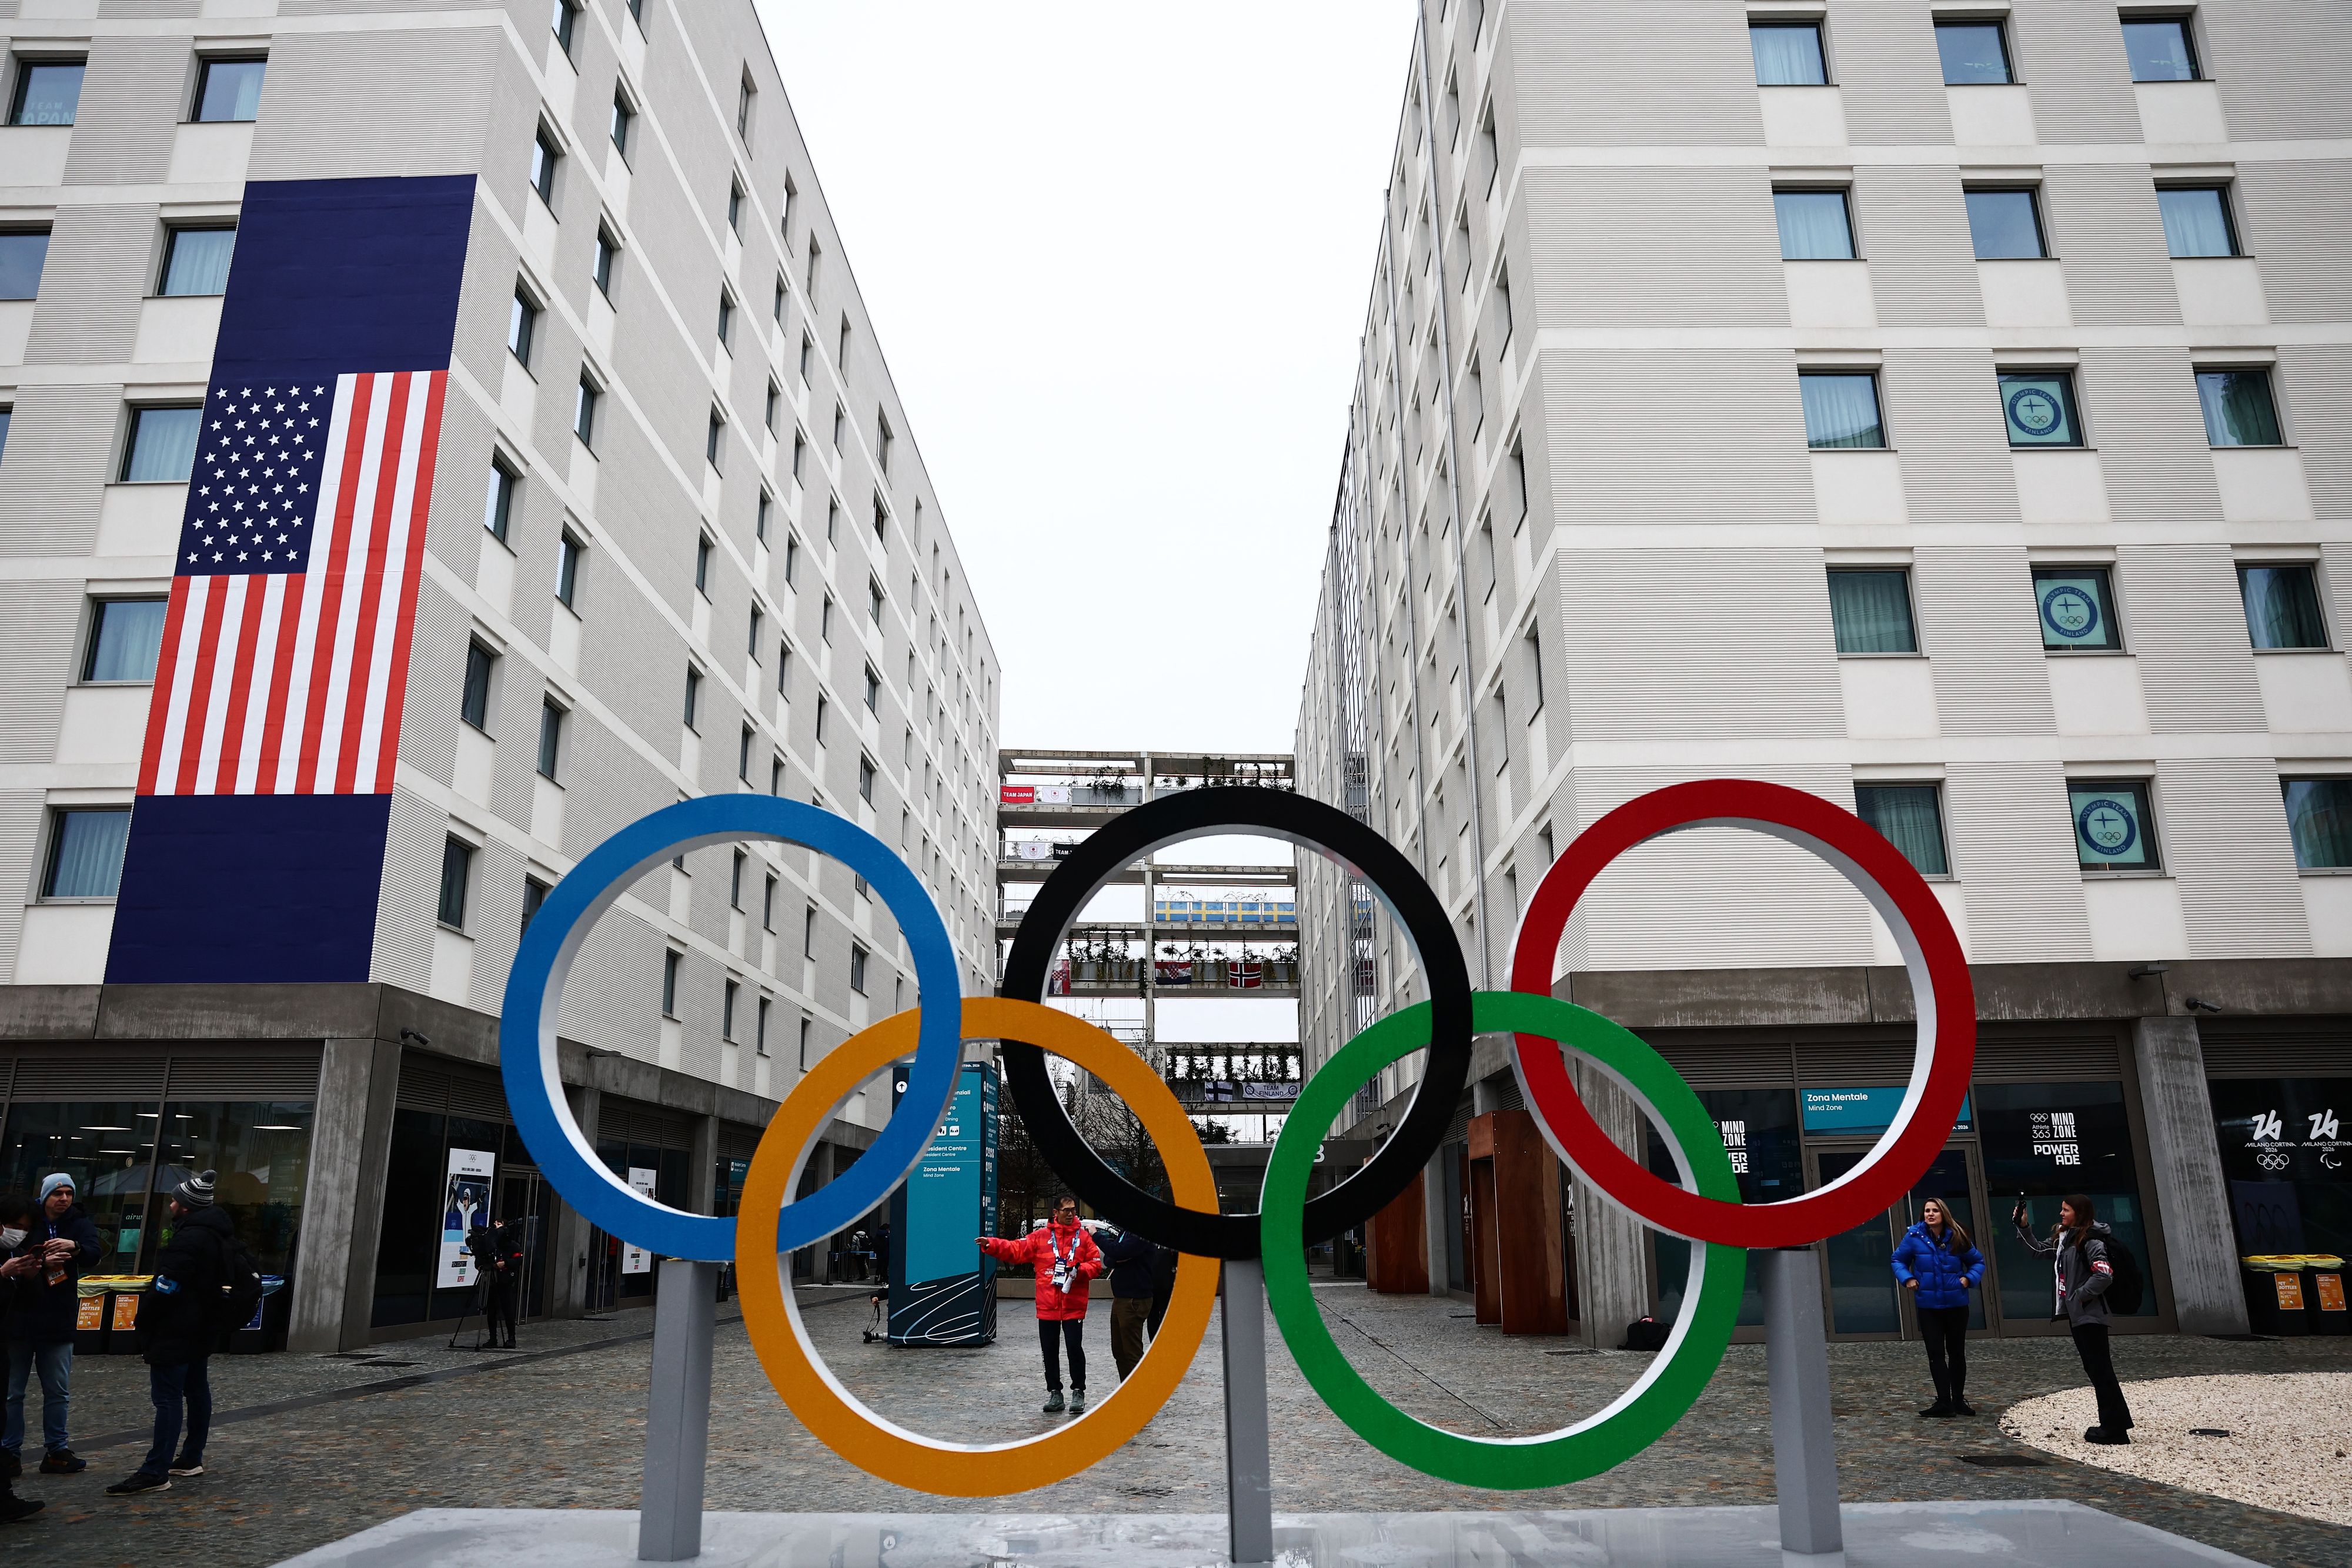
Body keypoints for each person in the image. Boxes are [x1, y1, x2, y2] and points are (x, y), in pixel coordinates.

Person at [108, 1170, 233, 1495]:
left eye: (176, 1199)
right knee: (196, 1390)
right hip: (201, 1328)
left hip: (176, 1329)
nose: (172, 1203)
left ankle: (156, 1469)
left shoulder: (188, 1239)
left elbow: (166, 1287)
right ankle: (191, 1457)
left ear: (187, 1207)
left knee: (167, 1398)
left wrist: (144, 1319)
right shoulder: (219, 1235)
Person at [2013, 1193, 2134, 1445]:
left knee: (2101, 1371)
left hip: (2090, 1315)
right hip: (2080, 1314)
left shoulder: (2090, 1241)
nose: (2061, 1214)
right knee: (2097, 1370)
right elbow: (2038, 1250)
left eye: (2066, 1210)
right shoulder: (2066, 1238)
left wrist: (2078, 1297)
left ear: (2078, 1213)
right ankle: (2115, 1424)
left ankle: (2114, 1429)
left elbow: (2103, 1275)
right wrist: (2023, 1226)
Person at [2, 1173, 101, 1478]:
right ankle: (8, 1452)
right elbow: (14, 1252)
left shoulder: (79, 1223)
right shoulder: (26, 1219)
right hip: (19, 1318)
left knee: (57, 1390)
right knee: (12, 1392)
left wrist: (75, 1247)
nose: (64, 1199)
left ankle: (57, 1449)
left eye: (69, 1193)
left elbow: (95, 1254)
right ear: (45, 1196)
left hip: (58, 1318)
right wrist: (41, 1260)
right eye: (58, 1193)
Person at [978, 1196, 1102, 1415]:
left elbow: (1095, 1265)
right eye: (1066, 1210)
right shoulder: (1041, 1237)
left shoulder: (1082, 1238)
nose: (1071, 1214)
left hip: (1074, 1306)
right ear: (1056, 1213)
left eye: (1073, 1210)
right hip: (1048, 1307)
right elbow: (1016, 1250)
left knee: (1074, 1349)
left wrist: (1079, 1271)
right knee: (1049, 1351)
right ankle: (1055, 1393)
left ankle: (1078, 1392)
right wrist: (992, 1245)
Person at [1891, 1198, 1985, 1417]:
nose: (1930, 1214)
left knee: (1956, 1353)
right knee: (1935, 1354)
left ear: (1944, 1213)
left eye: (1935, 1211)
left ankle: (1959, 1400)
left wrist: (1968, 1279)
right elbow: (1897, 1260)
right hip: (1929, 1305)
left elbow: (1978, 1262)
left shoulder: (1958, 1236)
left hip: (1956, 1305)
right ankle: (1943, 1402)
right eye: (1927, 1211)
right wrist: (1908, 1279)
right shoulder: (1914, 1237)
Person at [0, 1196, 46, 1523]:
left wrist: (27, 1277)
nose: (18, 1234)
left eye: (23, 1230)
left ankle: (4, 1497)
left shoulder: (9, 1253)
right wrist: (2, 1273)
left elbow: (16, 1304)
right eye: (15, 1227)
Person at [1094, 1224, 1157, 1383]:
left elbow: (1116, 1251)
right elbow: (1110, 1257)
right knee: (1119, 1350)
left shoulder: (1141, 1233)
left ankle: (1139, 1392)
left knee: (1132, 1352)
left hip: (1134, 1299)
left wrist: (1097, 1236)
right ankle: (1127, 1389)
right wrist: (1117, 1253)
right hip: (1121, 1297)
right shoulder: (1127, 1230)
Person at [480, 1218, 523, 1350]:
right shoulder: (492, 1246)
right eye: (495, 1224)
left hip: (506, 1282)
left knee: (508, 1311)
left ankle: (511, 1339)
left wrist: (505, 1263)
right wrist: (482, 1265)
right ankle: (493, 1338)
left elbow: (518, 1261)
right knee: (491, 1311)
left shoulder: (513, 1246)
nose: (496, 1227)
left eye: (499, 1224)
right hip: (492, 1281)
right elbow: (482, 1258)